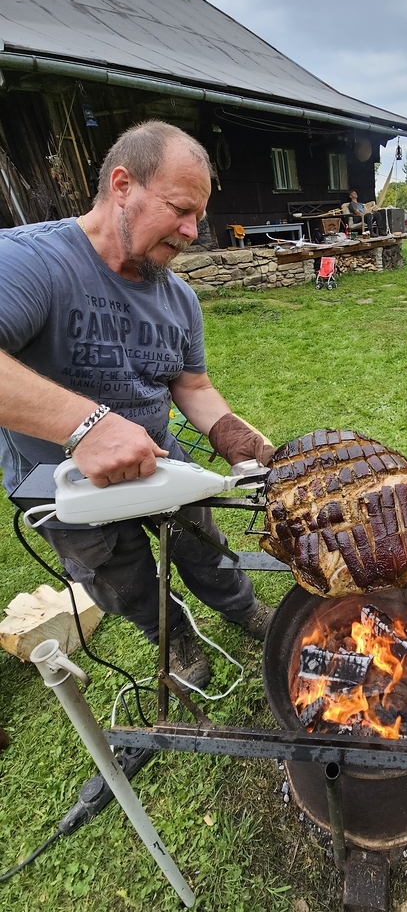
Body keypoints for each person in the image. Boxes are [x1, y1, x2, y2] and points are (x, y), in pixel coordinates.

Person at [0, 121, 276, 689]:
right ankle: (171, 639)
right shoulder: (29, 262)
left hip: (162, 459)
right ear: (122, 185)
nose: (193, 230)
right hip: (64, 482)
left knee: (204, 546)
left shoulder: (179, 296)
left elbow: (192, 386)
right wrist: (85, 426)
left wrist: (236, 438)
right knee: (123, 577)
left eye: (198, 215)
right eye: (180, 209)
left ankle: (242, 608)